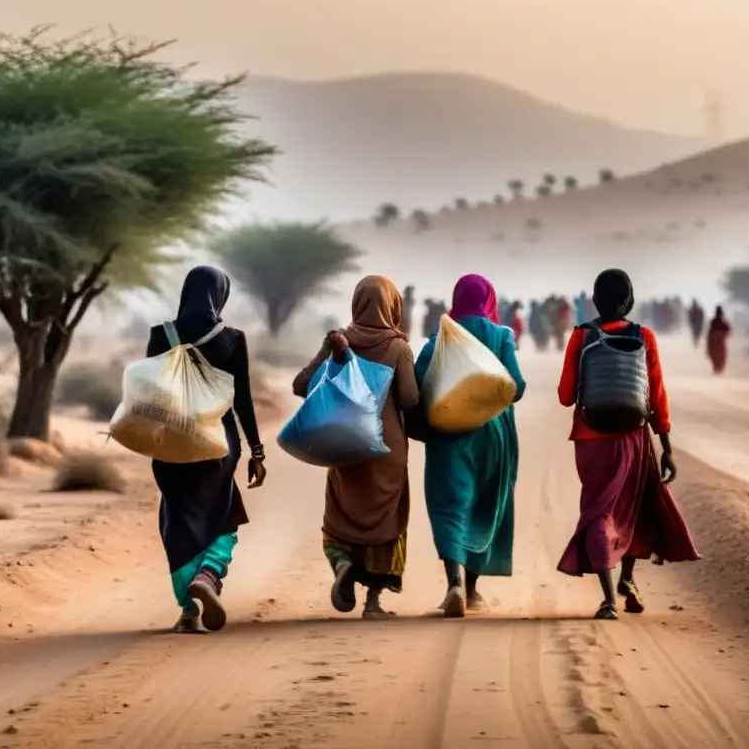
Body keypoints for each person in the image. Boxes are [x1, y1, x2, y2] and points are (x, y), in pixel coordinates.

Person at [556, 268, 699, 620]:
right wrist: (666, 446)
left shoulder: (581, 336)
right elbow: (658, 397)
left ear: (595, 298)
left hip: (591, 439)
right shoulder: (645, 337)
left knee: (598, 513)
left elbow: (564, 396)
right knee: (632, 509)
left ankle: (607, 600)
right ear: (629, 299)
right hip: (634, 438)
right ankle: (628, 579)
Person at [147, 266, 268, 634]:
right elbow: (243, 400)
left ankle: (187, 611)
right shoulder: (232, 338)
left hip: (170, 445)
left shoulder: (161, 335)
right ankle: (210, 573)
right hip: (218, 443)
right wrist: (257, 452)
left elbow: (147, 394)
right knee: (223, 512)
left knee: (177, 521)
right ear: (220, 296)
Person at [292, 276, 420, 619]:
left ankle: (342, 561)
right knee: (387, 519)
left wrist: (329, 352)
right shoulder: (398, 348)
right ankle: (373, 602)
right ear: (393, 306)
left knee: (340, 517)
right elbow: (409, 398)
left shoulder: (339, 340)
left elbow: (301, 385)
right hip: (386, 448)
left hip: (344, 446)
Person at [416, 274, 526, 618]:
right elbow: (517, 386)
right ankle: (474, 589)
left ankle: (454, 584)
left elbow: (419, 383)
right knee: (484, 502)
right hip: (493, 434)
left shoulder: (441, 337)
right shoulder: (502, 335)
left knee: (451, 505)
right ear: (488, 300)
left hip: (449, 434)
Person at [706, 306, 731, 375]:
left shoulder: (715, 321)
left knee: (717, 356)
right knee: (719, 356)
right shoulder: (719, 321)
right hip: (718, 342)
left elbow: (727, 330)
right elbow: (728, 330)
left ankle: (717, 369)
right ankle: (718, 369)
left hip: (716, 342)